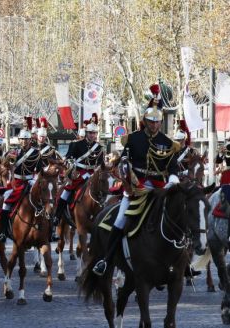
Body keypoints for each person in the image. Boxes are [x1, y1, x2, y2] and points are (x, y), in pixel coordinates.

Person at [92, 84, 180, 276]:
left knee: (179, 215)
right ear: (145, 121)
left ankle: (183, 262)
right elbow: (124, 160)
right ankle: (105, 259)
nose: (155, 125)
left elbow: (173, 168)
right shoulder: (133, 139)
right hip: (135, 186)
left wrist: (172, 183)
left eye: (157, 122)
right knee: (122, 218)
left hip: (159, 187)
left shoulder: (167, 142)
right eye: (151, 121)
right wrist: (127, 174)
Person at [51, 114, 104, 240]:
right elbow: (68, 158)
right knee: (65, 193)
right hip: (79, 174)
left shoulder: (99, 148)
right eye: (90, 133)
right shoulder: (76, 145)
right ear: (86, 133)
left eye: (94, 133)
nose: (92, 135)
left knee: (103, 192)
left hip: (92, 174)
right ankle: (57, 217)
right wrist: (71, 170)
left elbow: (101, 164)